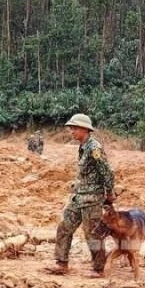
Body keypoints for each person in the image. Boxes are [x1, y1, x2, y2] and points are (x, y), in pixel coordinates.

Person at [48, 114, 115, 277]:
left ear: (85, 129)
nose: (71, 131)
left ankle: (99, 268)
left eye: (75, 128)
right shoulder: (83, 146)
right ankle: (61, 263)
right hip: (79, 197)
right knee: (65, 226)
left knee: (92, 234)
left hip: (92, 198)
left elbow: (107, 172)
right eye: (71, 128)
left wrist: (110, 193)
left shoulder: (94, 148)